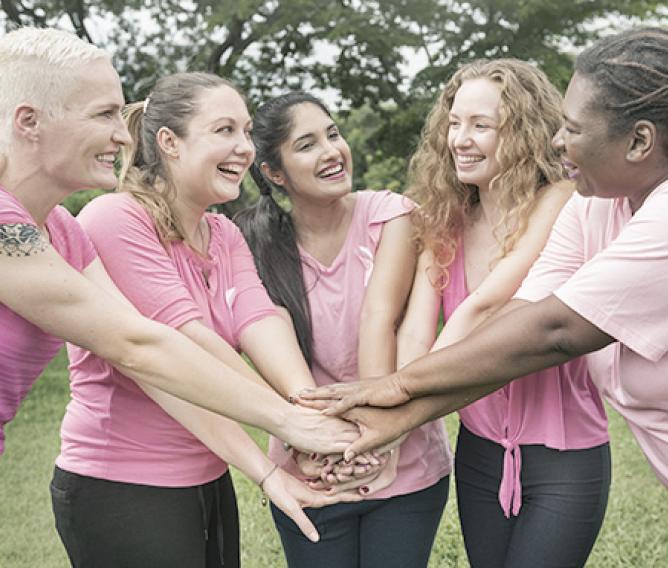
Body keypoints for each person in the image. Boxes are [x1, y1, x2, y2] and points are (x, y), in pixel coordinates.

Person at [300, 28, 668, 493]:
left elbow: (555, 331)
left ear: (639, 142)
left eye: (573, 129)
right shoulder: (593, 205)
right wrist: (396, 417)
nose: (557, 141)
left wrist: (398, 387)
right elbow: (521, 317)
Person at [50, 73, 364, 568]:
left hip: (206, 476)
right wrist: (293, 429)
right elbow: (185, 343)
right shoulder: (114, 219)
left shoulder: (222, 233)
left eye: (244, 131)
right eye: (224, 131)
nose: (243, 147)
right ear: (170, 142)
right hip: (124, 485)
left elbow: (260, 321)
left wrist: (314, 415)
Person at [0, 27, 358, 459]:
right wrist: (292, 423)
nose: (124, 134)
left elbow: (153, 342)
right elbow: (140, 346)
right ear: (29, 121)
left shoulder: (63, 230)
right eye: (103, 115)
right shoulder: (85, 219)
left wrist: (297, 420)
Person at [396, 59, 609, 567]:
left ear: (523, 133)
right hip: (480, 452)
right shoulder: (443, 221)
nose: (460, 139)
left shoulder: (560, 201)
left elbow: (487, 306)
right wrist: (391, 405)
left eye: (480, 125)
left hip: (565, 456)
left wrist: (393, 411)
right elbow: (416, 330)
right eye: (454, 122)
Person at [234, 92, 451, 568]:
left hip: (404, 462)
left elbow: (379, 318)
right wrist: (319, 444)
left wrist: (378, 440)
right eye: (307, 144)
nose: (332, 151)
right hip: (311, 468)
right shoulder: (254, 242)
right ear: (274, 172)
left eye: (333, 134)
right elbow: (270, 351)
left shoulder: (389, 214)